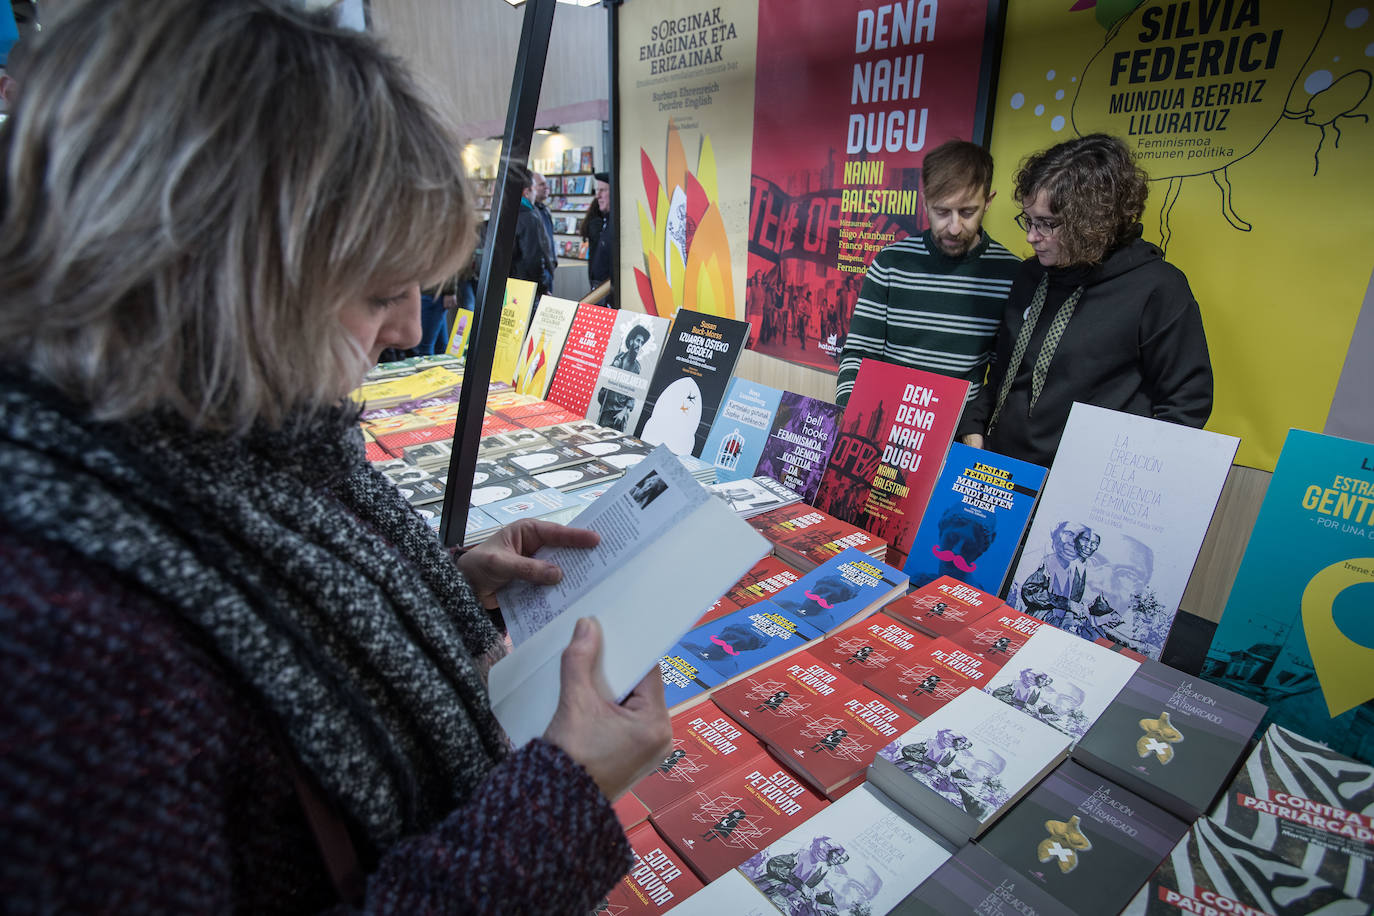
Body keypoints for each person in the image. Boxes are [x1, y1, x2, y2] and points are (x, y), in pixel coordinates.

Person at [0, 2, 671, 911]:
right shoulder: (57, 641)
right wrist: (563, 799)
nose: (404, 330)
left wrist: (438, 583)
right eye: (379, 291)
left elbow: (283, 600)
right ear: (223, 279)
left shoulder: (233, 418)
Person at [959, 134, 1213, 466]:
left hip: (1082, 488)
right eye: (1029, 220)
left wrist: (1117, 480)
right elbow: (1005, 373)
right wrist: (974, 424)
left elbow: (1185, 406)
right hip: (999, 471)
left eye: (1047, 224)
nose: (1031, 236)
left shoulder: (1156, 287)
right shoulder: (1029, 276)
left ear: (1092, 223)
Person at [835, 139, 1022, 406]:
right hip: (885, 419)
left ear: (988, 202)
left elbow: (1004, 374)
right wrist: (848, 414)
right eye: (942, 212)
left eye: (968, 212)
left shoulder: (1011, 274)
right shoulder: (891, 263)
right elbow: (859, 354)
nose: (955, 227)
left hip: (957, 432)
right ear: (924, 203)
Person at [511, 166, 553, 296]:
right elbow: (533, 257)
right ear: (526, 192)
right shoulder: (528, 216)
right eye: (535, 188)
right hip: (527, 285)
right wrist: (542, 288)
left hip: (512, 284)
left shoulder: (508, 212)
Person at [587, 171, 615, 304]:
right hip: (599, 291)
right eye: (597, 190)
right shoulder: (606, 221)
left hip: (609, 294)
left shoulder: (616, 224)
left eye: (603, 190)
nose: (597, 196)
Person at [532, 170, 558, 294]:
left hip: (548, 270)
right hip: (540, 273)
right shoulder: (530, 213)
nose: (546, 187)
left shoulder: (545, 210)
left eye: (546, 183)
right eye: (541, 184)